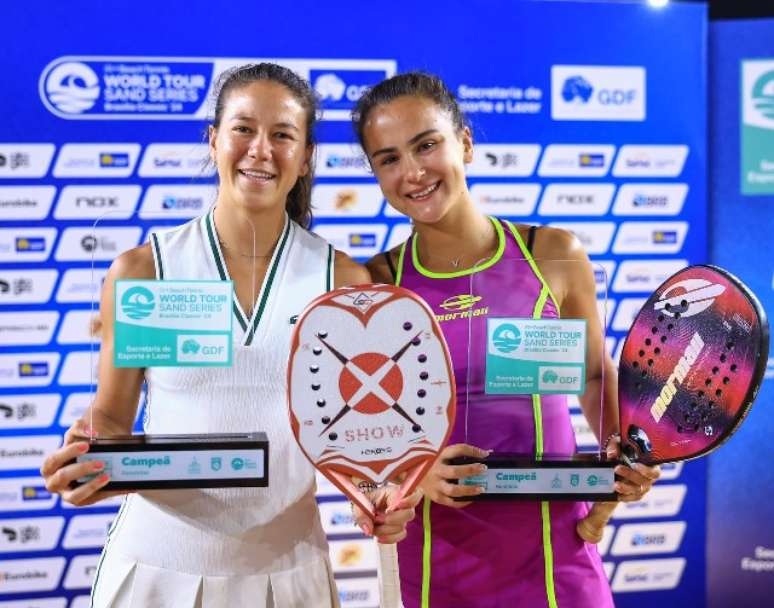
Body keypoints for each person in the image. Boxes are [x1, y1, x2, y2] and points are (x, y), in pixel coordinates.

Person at [40, 63, 419, 608]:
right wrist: (87, 457)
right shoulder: (144, 272)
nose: (260, 150)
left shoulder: (342, 283)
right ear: (214, 139)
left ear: (306, 156)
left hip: (290, 576)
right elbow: (112, 420)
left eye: (282, 135)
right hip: (155, 571)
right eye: (243, 128)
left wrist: (375, 493)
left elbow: (355, 442)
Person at [352, 72, 661, 608]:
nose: (413, 172)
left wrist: (623, 451)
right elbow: (363, 425)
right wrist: (413, 473)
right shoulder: (376, 283)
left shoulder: (554, 254)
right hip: (436, 557)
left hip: (558, 549)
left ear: (465, 143)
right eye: (389, 159)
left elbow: (592, 375)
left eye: (426, 145)